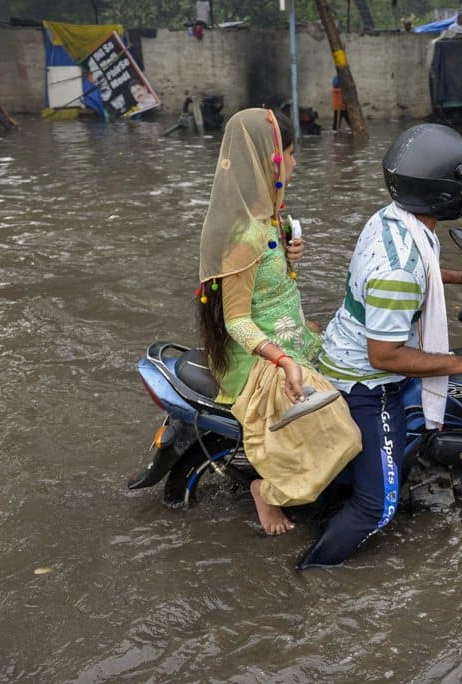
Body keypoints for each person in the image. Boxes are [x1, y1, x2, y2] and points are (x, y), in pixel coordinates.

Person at [297, 123, 462, 569]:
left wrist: (461, 276)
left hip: (348, 349)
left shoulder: (393, 218)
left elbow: (419, 270)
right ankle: (308, 574)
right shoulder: (399, 271)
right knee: (378, 509)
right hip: (366, 383)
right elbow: (384, 356)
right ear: (449, 190)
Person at [197, 108, 361, 536]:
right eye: (289, 153)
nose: (295, 162)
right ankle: (266, 491)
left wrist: (289, 260)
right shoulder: (243, 237)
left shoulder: (271, 221)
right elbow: (236, 321)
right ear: (268, 161)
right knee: (344, 434)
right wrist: (282, 362)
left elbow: (272, 290)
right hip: (261, 360)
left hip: (295, 336)